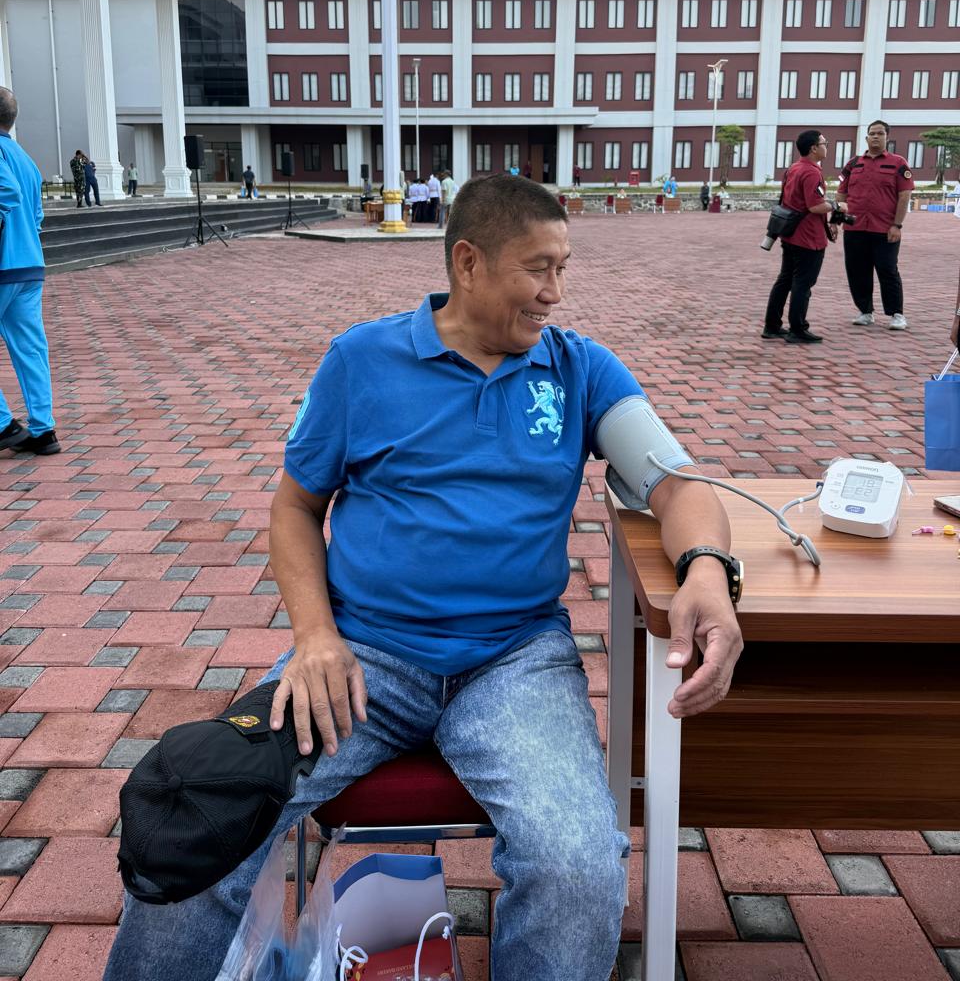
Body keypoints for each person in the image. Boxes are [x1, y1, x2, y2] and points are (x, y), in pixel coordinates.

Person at [103, 174, 743, 981]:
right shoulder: (361, 362)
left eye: (563, 268)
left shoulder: (579, 369)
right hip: (361, 657)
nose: (555, 292)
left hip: (513, 662)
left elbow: (678, 486)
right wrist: (315, 636)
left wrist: (707, 569)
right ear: (468, 263)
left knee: (577, 864)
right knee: (194, 825)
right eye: (537, 268)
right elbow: (295, 508)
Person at [0, 88, 59, 456]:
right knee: (31, 348)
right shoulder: (26, 159)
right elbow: (36, 216)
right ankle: (43, 430)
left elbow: (6, 192)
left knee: (30, 347)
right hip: (30, 264)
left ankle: (3, 424)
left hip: (4, 262)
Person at [763, 130, 844, 344]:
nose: (826, 146)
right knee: (803, 283)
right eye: (824, 143)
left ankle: (772, 325)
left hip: (790, 233)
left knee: (785, 279)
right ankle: (797, 328)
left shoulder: (793, 168)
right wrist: (837, 206)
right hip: (808, 236)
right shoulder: (811, 172)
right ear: (814, 148)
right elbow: (815, 206)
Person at [837, 120, 913, 331]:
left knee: (887, 270)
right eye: (872, 133)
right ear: (866, 137)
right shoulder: (853, 164)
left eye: (880, 133)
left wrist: (897, 225)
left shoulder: (898, 163)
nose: (876, 137)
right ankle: (865, 311)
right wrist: (836, 220)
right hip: (855, 227)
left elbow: (904, 195)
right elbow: (841, 194)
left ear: (887, 137)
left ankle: (896, 314)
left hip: (885, 229)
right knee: (857, 270)